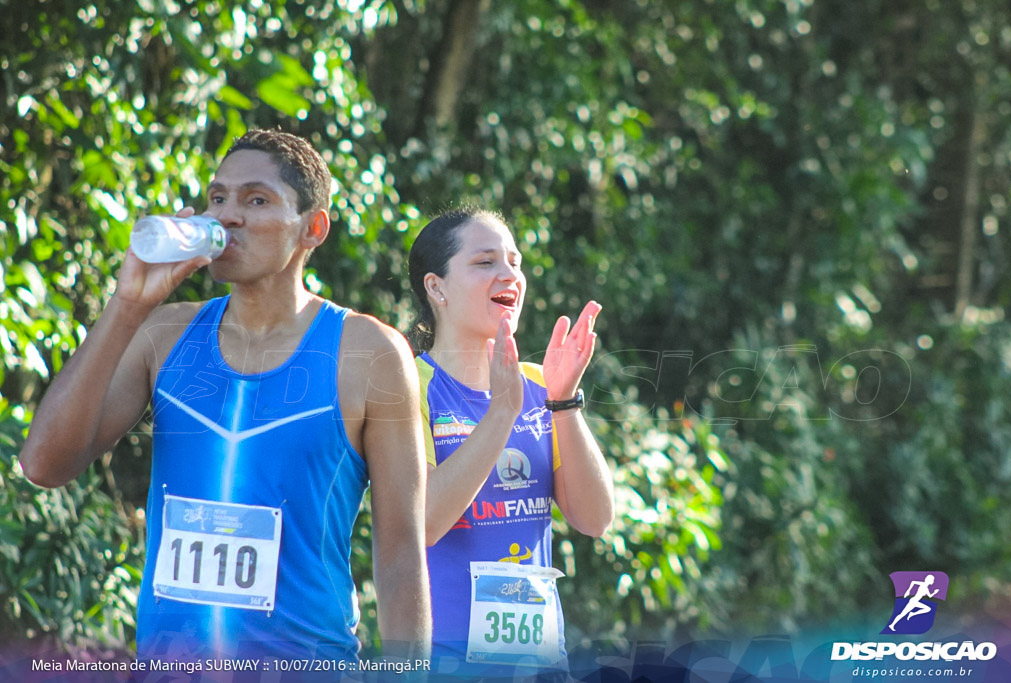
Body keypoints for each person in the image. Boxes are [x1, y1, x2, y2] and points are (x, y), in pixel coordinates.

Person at [19, 129, 430, 664]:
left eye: (256, 200)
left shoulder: (367, 352)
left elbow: (400, 556)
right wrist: (126, 305)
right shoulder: (162, 336)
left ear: (313, 228)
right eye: (218, 199)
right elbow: (43, 464)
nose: (227, 216)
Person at [407, 207, 615, 676]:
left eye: (515, 262)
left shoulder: (540, 385)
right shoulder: (408, 384)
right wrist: (502, 411)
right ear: (436, 287)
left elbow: (595, 519)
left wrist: (562, 402)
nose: (510, 275)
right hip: (446, 663)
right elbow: (424, 522)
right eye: (485, 262)